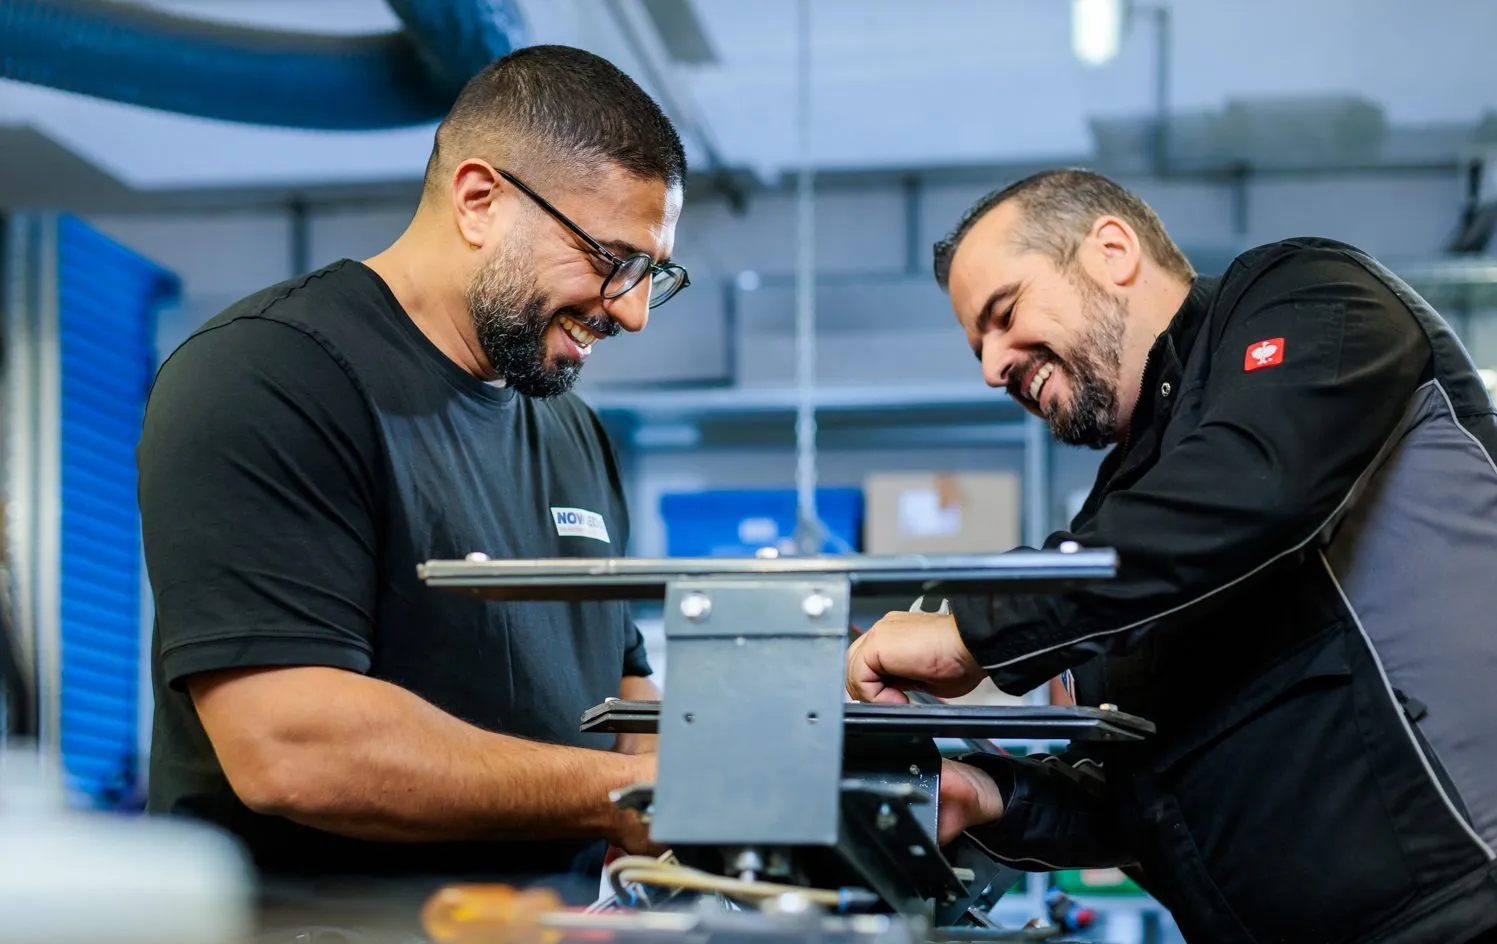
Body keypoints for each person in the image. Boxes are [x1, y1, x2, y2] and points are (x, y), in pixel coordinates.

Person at [847, 169, 1497, 943]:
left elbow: (1255, 487)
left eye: (1004, 313)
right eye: (978, 345)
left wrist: (972, 627)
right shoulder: (1117, 515)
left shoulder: (1311, 297)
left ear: (1112, 250)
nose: (992, 367)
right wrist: (985, 795)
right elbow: (1149, 793)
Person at [138, 44, 689, 906]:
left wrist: (757, 758)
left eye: (653, 273)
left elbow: (620, 694)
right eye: (613, 260)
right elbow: (294, 750)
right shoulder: (271, 376)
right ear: (480, 201)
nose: (633, 310)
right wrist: (625, 799)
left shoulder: (570, 426)